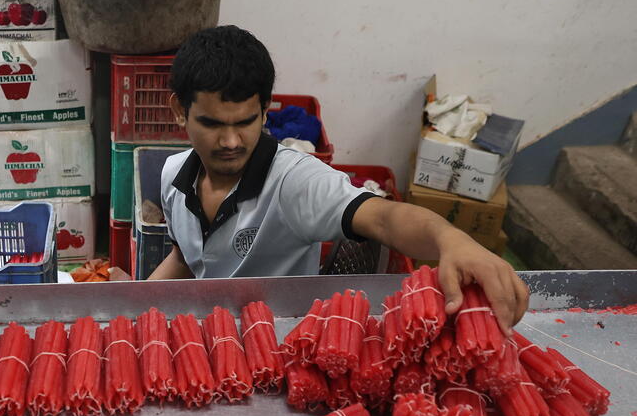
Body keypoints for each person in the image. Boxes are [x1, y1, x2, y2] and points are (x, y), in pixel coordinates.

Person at [148, 25, 528, 335]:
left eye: (245, 122)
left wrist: (452, 240)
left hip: (278, 347)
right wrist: (133, 308)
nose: (231, 141)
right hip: (200, 341)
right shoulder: (173, 176)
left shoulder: (294, 182)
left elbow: (382, 217)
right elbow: (185, 259)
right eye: (212, 124)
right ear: (180, 111)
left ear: (265, 111)